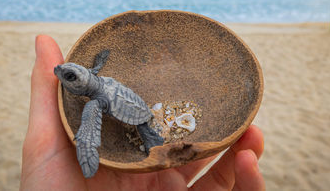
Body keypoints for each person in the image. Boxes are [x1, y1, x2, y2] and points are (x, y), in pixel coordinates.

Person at [20, 35, 265, 191]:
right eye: (68, 74)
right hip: (133, 102)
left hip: (135, 112)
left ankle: (152, 143)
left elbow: (88, 134)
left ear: (85, 80)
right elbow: (93, 68)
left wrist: (86, 151)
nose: (61, 74)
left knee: (140, 132)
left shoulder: (94, 103)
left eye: (69, 76)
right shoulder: (95, 80)